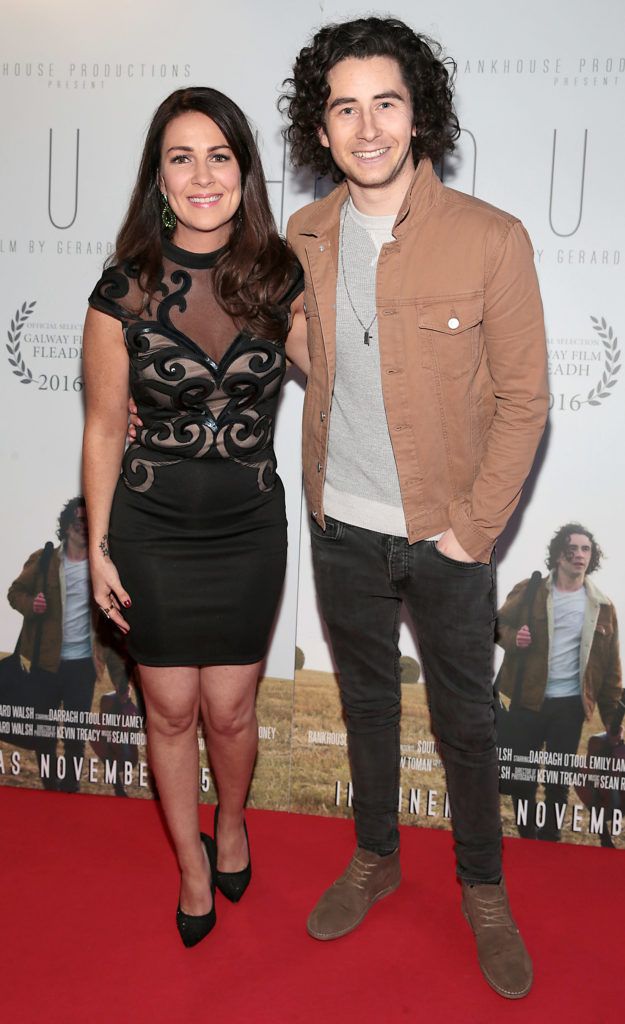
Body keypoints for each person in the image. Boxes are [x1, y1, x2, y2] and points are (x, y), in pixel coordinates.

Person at [279, 16, 548, 999]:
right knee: (362, 705)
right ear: (319, 126)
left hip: (446, 535)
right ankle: (376, 855)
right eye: (343, 106)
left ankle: (481, 889)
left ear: (416, 114)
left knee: (466, 721)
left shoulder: (490, 238)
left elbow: (525, 401)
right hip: (338, 523)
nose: (365, 125)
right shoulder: (301, 236)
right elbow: (314, 358)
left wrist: (471, 528)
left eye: (384, 102)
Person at [82, 87, 307, 947]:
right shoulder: (123, 289)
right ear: (159, 178)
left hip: (248, 528)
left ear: (243, 170)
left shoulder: (276, 277)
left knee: (231, 712)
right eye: (181, 157)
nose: (201, 174)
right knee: (169, 712)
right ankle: (189, 864)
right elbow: (104, 427)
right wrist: (99, 546)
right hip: (150, 529)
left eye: (219, 155)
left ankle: (235, 822)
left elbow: (330, 377)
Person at [496, 524, 622, 840]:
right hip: (527, 699)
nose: (579, 554)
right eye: (572, 548)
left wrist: (613, 723)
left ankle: (550, 836)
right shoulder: (531, 590)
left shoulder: (603, 606)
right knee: (522, 774)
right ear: (558, 554)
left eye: (586, 549)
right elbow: (493, 626)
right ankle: (527, 833)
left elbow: (610, 670)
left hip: (570, 706)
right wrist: (513, 639)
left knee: (558, 776)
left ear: (592, 557)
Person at [7, 497, 133, 792]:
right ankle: (51, 784)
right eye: (76, 521)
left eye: (87, 522)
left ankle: (71, 785)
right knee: (45, 730)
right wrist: (31, 604)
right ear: (65, 527)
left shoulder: (101, 569)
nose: (81, 526)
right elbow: (15, 593)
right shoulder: (45, 559)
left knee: (76, 730)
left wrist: (121, 678)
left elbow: (112, 627)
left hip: (83, 665)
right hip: (45, 663)